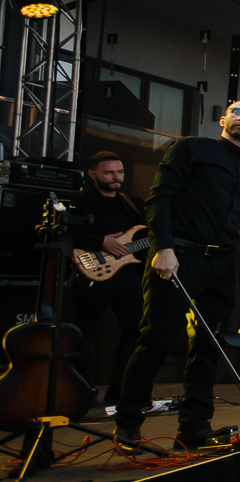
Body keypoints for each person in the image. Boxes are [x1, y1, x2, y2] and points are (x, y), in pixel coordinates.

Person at [114, 99, 240, 451]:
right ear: (223, 119)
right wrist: (163, 248)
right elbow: (159, 198)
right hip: (179, 255)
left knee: (208, 345)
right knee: (155, 339)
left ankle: (195, 425)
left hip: (221, 265)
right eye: (238, 112)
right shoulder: (192, 148)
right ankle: (128, 422)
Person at [67, 151, 146, 409]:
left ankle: (120, 391)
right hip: (93, 274)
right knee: (87, 334)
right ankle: (85, 394)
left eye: (119, 172)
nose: (116, 177)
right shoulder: (79, 201)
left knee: (135, 332)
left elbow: (144, 239)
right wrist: (101, 241)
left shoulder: (132, 203)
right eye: (109, 172)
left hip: (128, 275)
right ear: (93, 174)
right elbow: (66, 234)